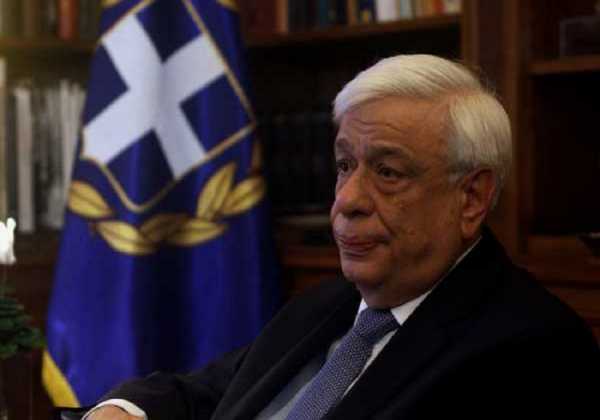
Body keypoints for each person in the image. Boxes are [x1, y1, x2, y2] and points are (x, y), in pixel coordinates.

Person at [87, 54, 600, 419]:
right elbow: (210, 392)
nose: (347, 200)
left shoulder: (532, 350)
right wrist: (124, 410)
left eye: (388, 172)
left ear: (471, 197)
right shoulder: (328, 306)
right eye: (344, 165)